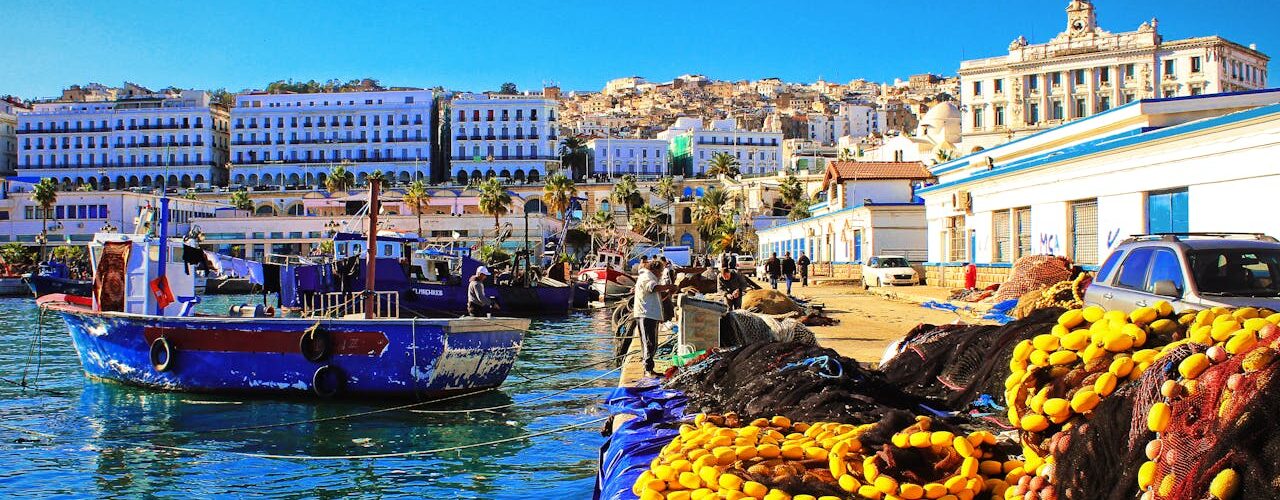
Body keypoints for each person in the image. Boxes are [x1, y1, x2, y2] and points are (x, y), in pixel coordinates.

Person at [634, 259, 677, 378]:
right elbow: (652, 288)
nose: (661, 274)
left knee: (652, 342)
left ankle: (650, 368)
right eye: (661, 271)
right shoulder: (647, 276)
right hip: (645, 314)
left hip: (651, 314)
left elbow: (657, 296)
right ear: (655, 269)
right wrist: (668, 286)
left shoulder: (651, 277)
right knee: (648, 342)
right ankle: (648, 370)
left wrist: (669, 292)